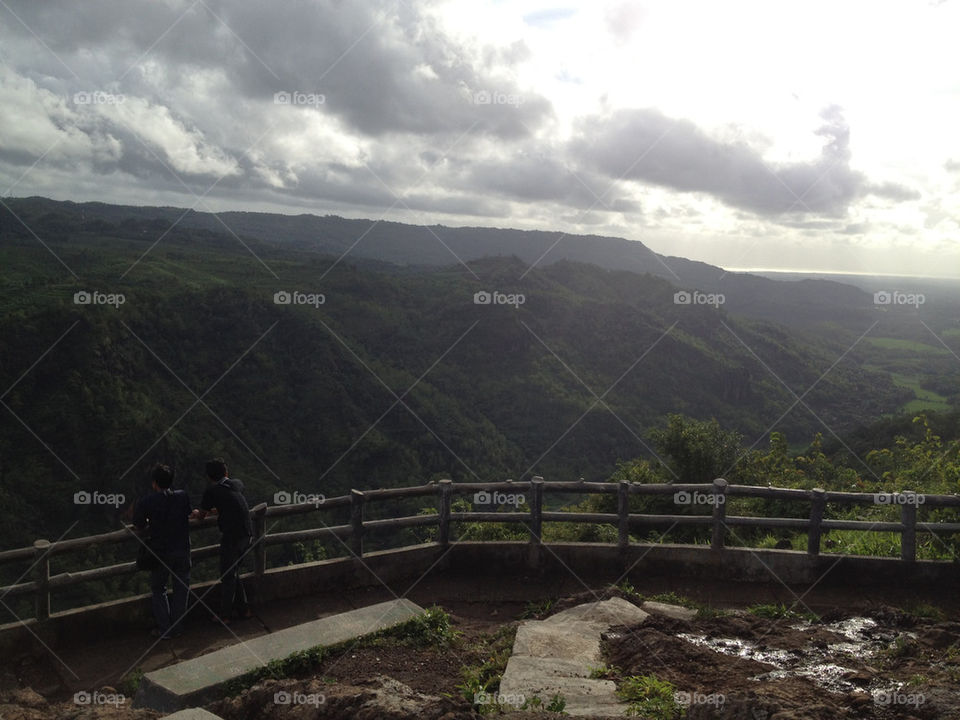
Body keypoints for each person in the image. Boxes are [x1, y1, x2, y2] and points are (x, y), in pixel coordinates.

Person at [132, 464, 192, 639]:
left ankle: (165, 630)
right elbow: (187, 514)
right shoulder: (182, 496)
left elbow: (139, 525)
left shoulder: (146, 502)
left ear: (154, 483)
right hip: (182, 549)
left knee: (159, 588)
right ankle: (178, 628)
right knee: (182, 588)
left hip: (161, 552)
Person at [194, 458, 253, 625]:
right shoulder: (236, 484)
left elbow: (201, 516)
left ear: (208, 476)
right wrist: (218, 510)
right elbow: (228, 501)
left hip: (232, 536)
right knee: (233, 573)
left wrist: (198, 512)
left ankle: (224, 615)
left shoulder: (212, 491)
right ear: (226, 473)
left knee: (227, 576)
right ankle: (244, 610)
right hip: (247, 533)